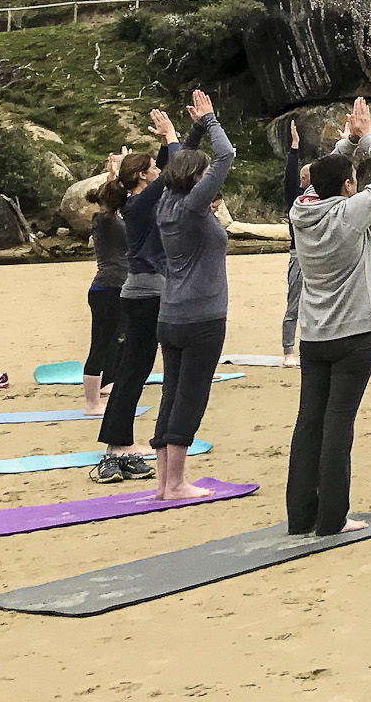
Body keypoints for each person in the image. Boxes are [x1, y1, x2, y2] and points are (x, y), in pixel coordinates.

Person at [284, 97, 371, 536]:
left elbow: (323, 176)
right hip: (354, 336)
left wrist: (348, 145)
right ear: (350, 187)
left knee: (308, 424)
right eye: (353, 179)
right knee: (338, 427)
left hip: (314, 336)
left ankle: (301, 516)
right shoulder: (350, 214)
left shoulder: (300, 211)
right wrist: (367, 138)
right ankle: (333, 518)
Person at [151, 90, 236, 502]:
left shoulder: (167, 201)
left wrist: (194, 130)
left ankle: (163, 484)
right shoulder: (192, 206)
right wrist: (212, 121)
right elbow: (226, 156)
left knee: (171, 395)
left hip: (170, 317)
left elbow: (180, 162)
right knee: (190, 397)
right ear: (196, 180)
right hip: (202, 320)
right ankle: (176, 484)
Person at [92, 108, 181, 483]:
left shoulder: (137, 200)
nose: (157, 171)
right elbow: (174, 170)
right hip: (146, 295)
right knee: (132, 372)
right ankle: (115, 449)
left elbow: (167, 168)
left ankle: (119, 446)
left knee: (134, 371)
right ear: (143, 176)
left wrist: (166, 142)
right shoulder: (142, 203)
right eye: (151, 168)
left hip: (143, 293)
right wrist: (173, 136)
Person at [81, 151, 132, 417]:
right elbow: (112, 197)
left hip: (116, 288)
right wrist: (120, 175)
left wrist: (115, 174)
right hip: (107, 289)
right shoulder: (104, 219)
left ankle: (107, 383)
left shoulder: (114, 218)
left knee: (115, 339)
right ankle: (92, 404)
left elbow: (112, 195)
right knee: (99, 345)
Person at [280, 120, 309, 368]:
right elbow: (290, 177)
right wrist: (294, 148)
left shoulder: (326, 199)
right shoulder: (296, 200)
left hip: (320, 255)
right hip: (298, 255)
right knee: (294, 305)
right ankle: (288, 351)